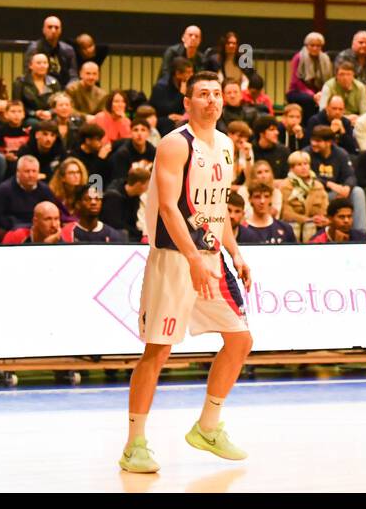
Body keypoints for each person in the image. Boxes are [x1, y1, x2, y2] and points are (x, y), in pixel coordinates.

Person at [120, 70, 252, 475]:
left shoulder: (228, 146)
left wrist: (235, 251)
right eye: (202, 94)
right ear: (187, 103)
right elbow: (168, 208)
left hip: (211, 257)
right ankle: (134, 444)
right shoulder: (175, 144)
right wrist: (193, 256)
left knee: (240, 340)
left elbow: (217, 208)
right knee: (157, 352)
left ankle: (208, 426)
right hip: (175, 259)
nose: (212, 100)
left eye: (216, 94)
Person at [0, 155, 58, 235]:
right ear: (18, 172)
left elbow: (54, 213)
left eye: (34, 171)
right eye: (27, 171)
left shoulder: (45, 190)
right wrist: (15, 225)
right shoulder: (3, 190)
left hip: (39, 230)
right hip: (12, 230)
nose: (31, 175)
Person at [278, 151, 329, 243]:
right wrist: (306, 219)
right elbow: (286, 213)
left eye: (305, 164)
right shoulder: (285, 186)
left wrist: (321, 218)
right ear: (292, 168)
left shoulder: (318, 186)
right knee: (300, 226)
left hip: (316, 225)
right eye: (299, 164)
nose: (303, 167)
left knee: (311, 226)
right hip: (294, 225)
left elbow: (325, 208)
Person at [101, 166, 151, 243]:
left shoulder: (135, 196)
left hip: (130, 234)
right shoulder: (113, 197)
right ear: (138, 184)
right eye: (147, 184)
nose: (148, 188)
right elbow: (115, 224)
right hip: (114, 238)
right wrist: (139, 234)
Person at [24, 15, 77, 86]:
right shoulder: (34, 48)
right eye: (50, 27)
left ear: (60, 30)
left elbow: (73, 75)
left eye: (56, 27)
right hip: (41, 90)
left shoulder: (68, 50)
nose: (53, 30)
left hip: (64, 91)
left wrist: (69, 89)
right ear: (43, 30)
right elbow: (28, 73)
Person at [13, 52, 59, 124]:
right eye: (39, 63)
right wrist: (35, 113)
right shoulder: (20, 82)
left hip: (50, 116)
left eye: (45, 63)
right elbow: (17, 105)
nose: (42, 66)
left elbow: (57, 104)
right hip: (28, 117)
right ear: (30, 66)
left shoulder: (53, 82)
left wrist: (50, 112)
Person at [109, 117, 156, 184]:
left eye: (143, 130)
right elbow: (118, 181)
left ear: (148, 133)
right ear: (130, 132)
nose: (139, 134)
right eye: (135, 130)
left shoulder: (153, 151)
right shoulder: (122, 153)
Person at [151, 58, 193, 128]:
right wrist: (181, 94)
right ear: (178, 74)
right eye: (188, 72)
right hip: (162, 121)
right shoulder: (161, 87)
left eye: (192, 72)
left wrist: (183, 117)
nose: (191, 75)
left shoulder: (188, 86)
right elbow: (168, 111)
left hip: (181, 121)